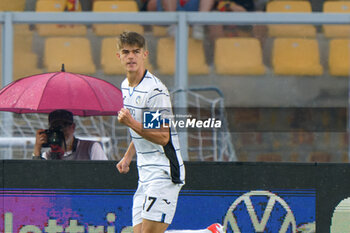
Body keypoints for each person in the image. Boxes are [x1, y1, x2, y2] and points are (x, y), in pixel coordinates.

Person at [115, 31, 223, 233]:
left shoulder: (155, 91)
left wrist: (130, 122)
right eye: (126, 52)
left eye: (136, 52)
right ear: (118, 56)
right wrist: (128, 156)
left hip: (163, 170)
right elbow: (144, 126)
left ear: (144, 55)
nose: (131, 56)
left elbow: (163, 136)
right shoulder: (125, 86)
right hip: (144, 172)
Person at [33, 109, 108, 160]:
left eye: (64, 125)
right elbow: (37, 178)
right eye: (55, 126)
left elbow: (104, 174)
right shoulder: (47, 156)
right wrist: (37, 149)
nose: (60, 130)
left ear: (73, 127)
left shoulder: (91, 148)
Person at [140, 0, 215, 40]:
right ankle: (173, 23)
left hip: (196, 10)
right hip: (167, 12)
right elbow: (149, 7)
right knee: (152, 3)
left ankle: (199, 24)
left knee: (216, 23)